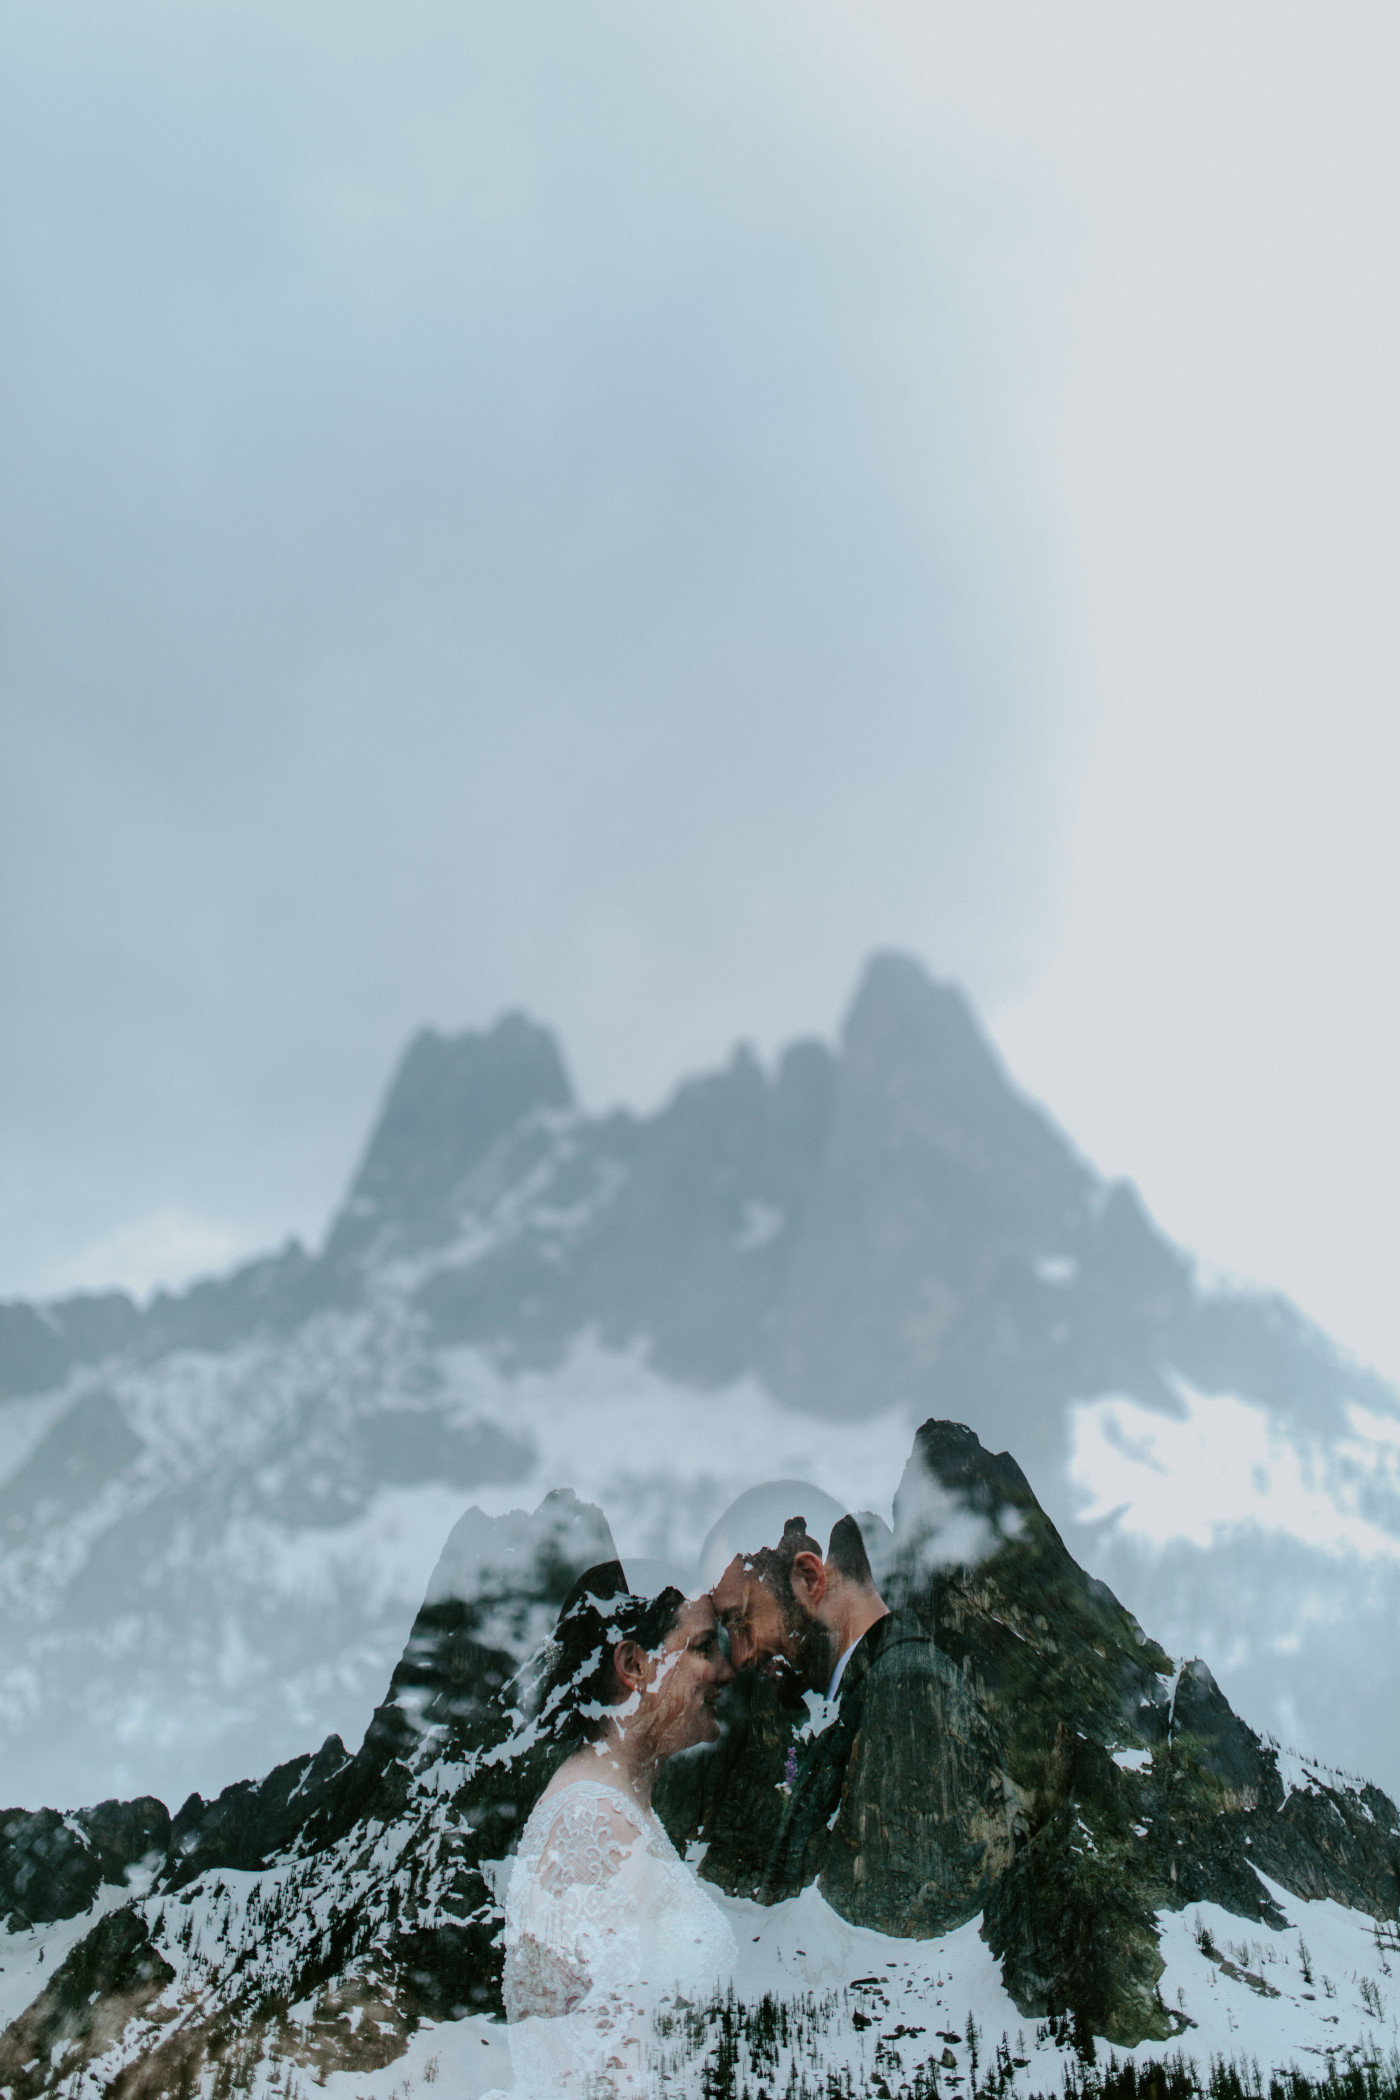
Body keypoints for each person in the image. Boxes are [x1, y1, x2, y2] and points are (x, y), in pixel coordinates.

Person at [708, 1496, 1021, 1937]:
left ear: (809, 1578)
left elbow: (917, 1934)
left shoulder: (910, 1690)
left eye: (742, 1621)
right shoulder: (856, 1691)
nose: (739, 1656)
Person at [500, 1561, 738, 2099]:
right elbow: (605, 2077)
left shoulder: (618, 1810)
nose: (726, 1671)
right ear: (634, 1664)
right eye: (703, 1647)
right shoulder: (590, 1825)